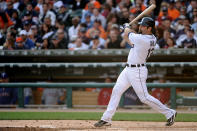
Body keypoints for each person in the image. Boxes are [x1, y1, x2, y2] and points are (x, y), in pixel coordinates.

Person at [94, 17, 177, 127]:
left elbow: (129, 34)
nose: (140, 27)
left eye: (143, 26)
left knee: (144, 97)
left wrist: (126, 27)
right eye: (140, 25)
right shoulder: (148, 38)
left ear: (149, 28)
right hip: (128, 69)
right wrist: (126, 29)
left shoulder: (144, 39)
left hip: (137, 71)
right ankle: (106, 118)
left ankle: (170, 113)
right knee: (116, 90)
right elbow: (128, 36)